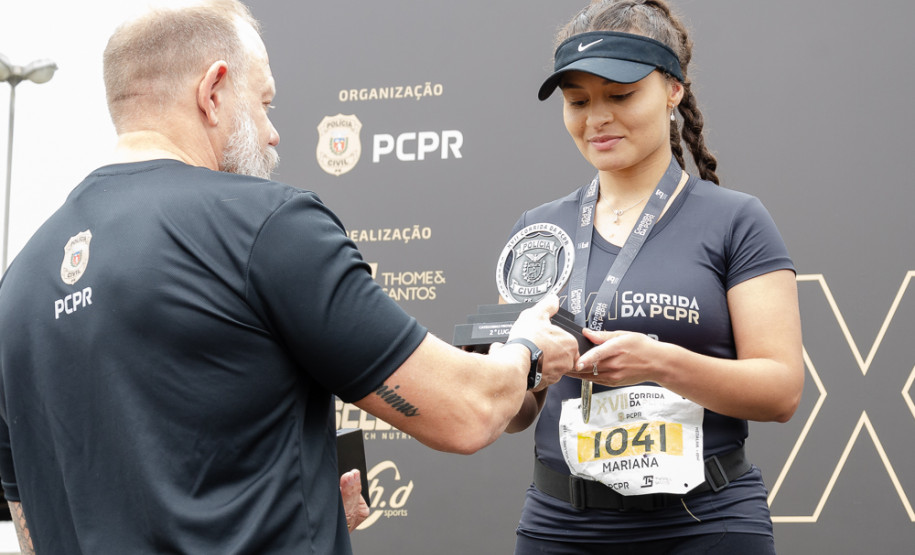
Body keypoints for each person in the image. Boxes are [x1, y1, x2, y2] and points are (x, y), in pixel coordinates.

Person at [0, 1, 581, 553]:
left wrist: (297, 515)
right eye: (265, 103)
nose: (274, 133)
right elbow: (466, 412)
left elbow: (33, 527)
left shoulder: (18, 284)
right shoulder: (263, 224)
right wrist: (527, 348)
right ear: (213, 90)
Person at [501, 1, 804, 553]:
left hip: (704, 524)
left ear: (673, 90)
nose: (596, 118)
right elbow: (518, 414)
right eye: (578, 101)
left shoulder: (736, 220)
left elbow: (781, 391)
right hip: (561, 527)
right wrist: (506, 372)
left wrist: (659, 363)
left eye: (620, 96)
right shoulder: (539, 232)